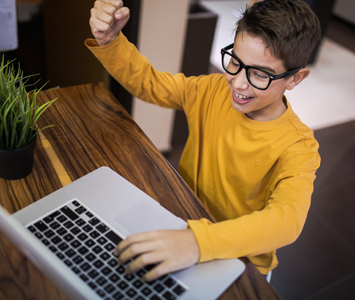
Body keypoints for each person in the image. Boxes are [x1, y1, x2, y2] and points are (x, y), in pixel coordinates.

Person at [86, 0, 321, 282]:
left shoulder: (299, 147)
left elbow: (286, 221)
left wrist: (198, 243)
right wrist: (111, 41)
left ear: (295, 78)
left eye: (259, 73)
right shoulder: (211, 90)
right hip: (184, 227)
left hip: (242, 261)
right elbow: (151, 84)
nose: (238, 83)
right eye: (235, 61)